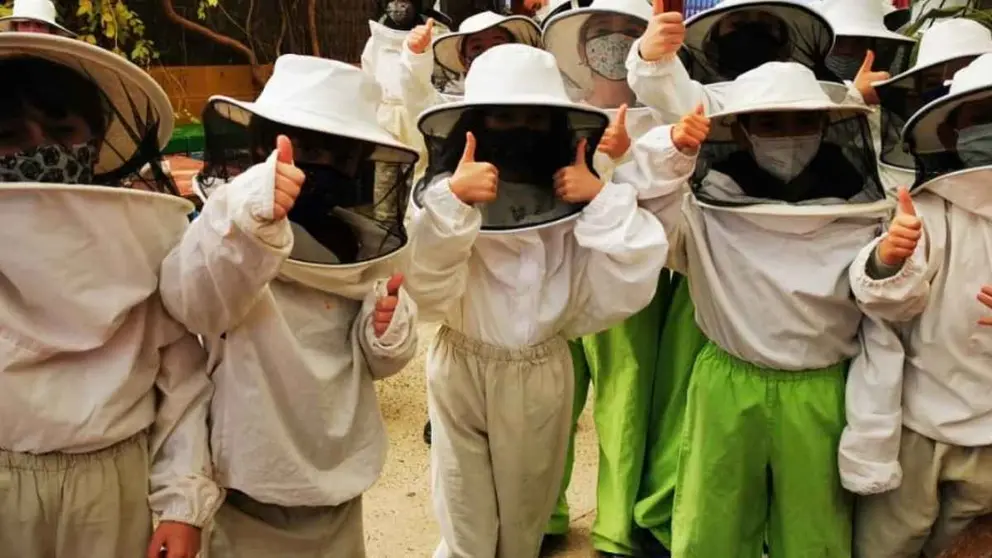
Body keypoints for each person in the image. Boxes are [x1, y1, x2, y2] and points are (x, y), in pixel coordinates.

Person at [405, 43, 669, 558]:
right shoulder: (447, 195)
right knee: (464, 514)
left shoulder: (578, 198)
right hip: (461, 361)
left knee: (525, 521)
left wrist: (601, 197)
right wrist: (452, 205)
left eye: (532, 118)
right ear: (471, 127)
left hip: (543, 370)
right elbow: (425, 288)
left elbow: (631, 275)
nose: (519, 130)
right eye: (504, 117)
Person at [630, 61, 895, 557]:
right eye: (771, 123)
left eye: (802, 122)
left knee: (815, 529)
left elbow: (886, 308)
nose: (788, 136)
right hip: (727, 381)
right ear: (743, 130)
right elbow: (647, 231)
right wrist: (672, 153)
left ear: (826, 126)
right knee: (714, 520)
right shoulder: (708, 205)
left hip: (822, 388)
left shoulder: (865, 213)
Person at [159, 56, 420, 557]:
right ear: (263, 146)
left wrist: (385, 329)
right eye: (304, 148)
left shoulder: (359, 242)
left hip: (338, 480)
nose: (317, 166)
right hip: (246, 487)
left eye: (336, 154)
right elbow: (190, 303)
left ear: (358, 165)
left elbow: (378, 362)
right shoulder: (220, 226)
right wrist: (242, 224)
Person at [0, 31, 219, 558]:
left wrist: (180, 504)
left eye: (60, 130)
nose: (39, 149)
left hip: (115, 486)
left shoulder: (143, 243)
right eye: (9, 135)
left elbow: (182, 386)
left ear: (94, 141)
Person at [844, 53, 992, 558]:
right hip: (920, 424)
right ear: (950, 132)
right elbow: (887, 302)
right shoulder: (929, 211)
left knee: (964, 542)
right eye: (981, 114)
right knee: (891, 541)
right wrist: (890, 257)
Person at [541, 1, 671, 555]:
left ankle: (617, 526)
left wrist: (617, 166)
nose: (613, 44)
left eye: (626, 32)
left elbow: (665, 204)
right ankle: (541, 512)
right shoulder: (552, 109)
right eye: (602, 33)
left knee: (625, 400)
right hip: (555, 273)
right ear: (580, 44)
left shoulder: (666, 115)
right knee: (551, 402)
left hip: (626, 279)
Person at [626, 0, 838, 123]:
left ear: (784, 39)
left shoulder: (808, 90)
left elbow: (842, 110)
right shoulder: (707, 102)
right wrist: (650, 57)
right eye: (738, 24)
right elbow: (668, 94)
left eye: (764, 25)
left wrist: (857, 95)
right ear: (714, 39)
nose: (751, 34)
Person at [856, 19, 992, 193]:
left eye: (966, 74)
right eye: (934, 83)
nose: (949, 88)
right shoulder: (903, 172)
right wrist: (854, 99)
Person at [401, 10, 541, 116]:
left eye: (498, 44)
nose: (489, 53)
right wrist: (416, 56)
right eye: (477, 47)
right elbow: (419, 100)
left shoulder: (540, 97)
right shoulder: (455, 111)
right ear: (464, 61)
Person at [0, 0, 74, 36]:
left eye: (39, 25)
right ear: (15, 27)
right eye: (25, 24)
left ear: (51, 31)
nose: (32, 31)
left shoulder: (62, 64)